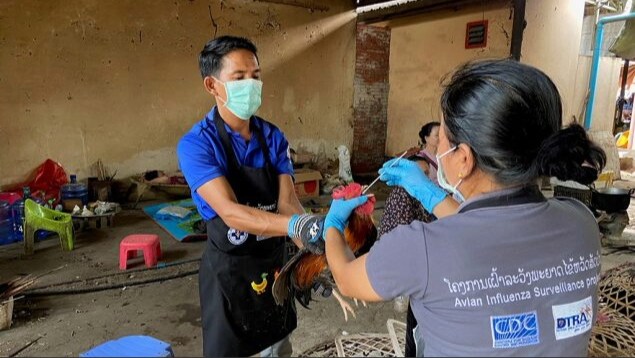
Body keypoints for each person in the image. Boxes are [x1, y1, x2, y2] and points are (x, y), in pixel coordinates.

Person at [317, 59, 606, 356]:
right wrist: (428, 192)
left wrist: (332, 225)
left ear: (464, 159)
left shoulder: (419, 247)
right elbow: (487, 233)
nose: (437, 150)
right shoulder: (581, 222)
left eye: (441, 139)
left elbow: (347, 278)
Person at [177, 36, 327, 357]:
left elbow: (288, 203)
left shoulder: (272, 136)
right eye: (239, 77)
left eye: (256, 75)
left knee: (276, 348)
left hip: (274, 268)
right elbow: (231, 212)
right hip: (229, 272)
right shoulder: (197, 144)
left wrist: (313, 253)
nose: (252, 84)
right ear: (212, 85)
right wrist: (295, 227)